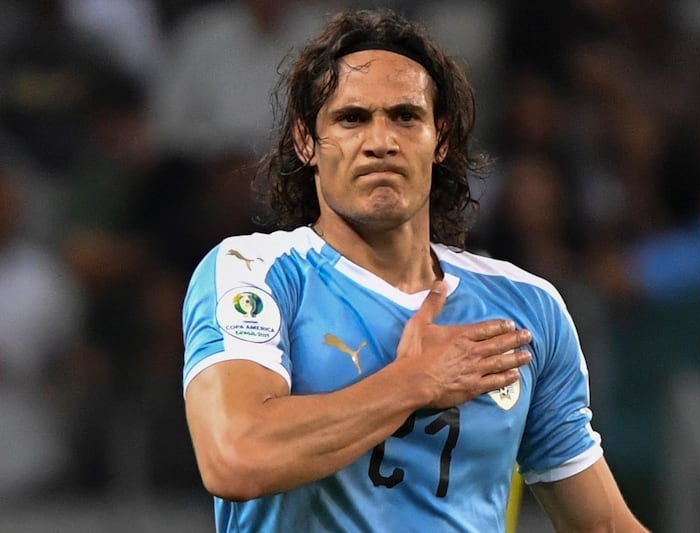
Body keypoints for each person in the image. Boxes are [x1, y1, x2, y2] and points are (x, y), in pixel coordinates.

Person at [182, 8, 647, 532]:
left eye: (405, 116)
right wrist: (415, 382)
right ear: (306, 140)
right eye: (352, 118)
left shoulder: (525, 307)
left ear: (440, 137)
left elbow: (604, 525)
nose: (381, 141)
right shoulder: (257, 274)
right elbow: (236, 457)